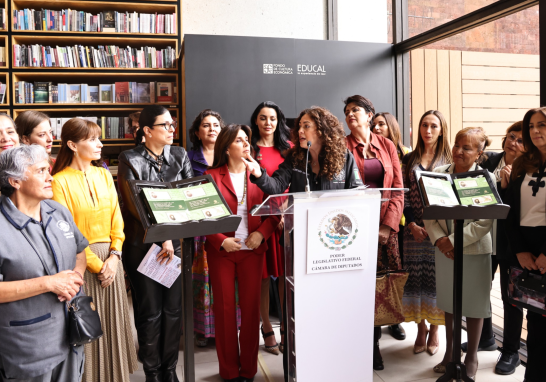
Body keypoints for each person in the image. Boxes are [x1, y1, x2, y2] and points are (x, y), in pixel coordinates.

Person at [51, 118, 138, 382]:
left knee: (113, 327)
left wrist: (115, 256)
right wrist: (99, 266)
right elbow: (68, 232)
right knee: (88, 328)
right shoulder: (58, 182)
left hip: (113, 260)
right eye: (92, 139)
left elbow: (117, 220)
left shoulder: (103, 174)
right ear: (72, 145)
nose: (100, 144)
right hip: (83, 266)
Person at [118, 105, 193, 382]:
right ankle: (152, 373)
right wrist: (163, 238)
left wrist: (171, 238)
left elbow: (187, 196)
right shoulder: (130, 158)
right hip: (143, 246)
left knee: (173, 311)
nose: (172, 130)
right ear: (147, 131)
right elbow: (136, 205)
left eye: (173, 125)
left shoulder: (180, 155)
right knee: (150, 312)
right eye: (166, 125)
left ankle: (169, 370)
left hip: (177, 246)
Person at [0, 145, 88, 381]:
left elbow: (80, 251)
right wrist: (49, 283)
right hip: (28, 350)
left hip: (72, 339)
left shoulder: (58, 211)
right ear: (15, 181)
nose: (50, 177)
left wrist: (75, 278)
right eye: (40, 171)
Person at [204, 124, 280, 382]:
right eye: (240, 140)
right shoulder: (211, 176)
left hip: (253, 250)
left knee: (250, 312)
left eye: (247, 140)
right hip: (222, 252)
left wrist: (262, 234)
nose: (247, 144)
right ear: (226, 148)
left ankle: (248, 371)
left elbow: (275, 209)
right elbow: (202, 216)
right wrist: (220, 240)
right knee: (224, 312)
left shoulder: (259, 174)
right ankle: (229, 372)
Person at [424, 126, 494, 379]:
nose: (459, 151)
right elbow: (428, 212)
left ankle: (472, 356)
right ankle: (451, 354)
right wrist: (440, 239)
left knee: (474, 305)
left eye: (467, 147)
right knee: (450, 304)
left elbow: (485, 222)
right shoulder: (438, 174)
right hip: (443, 249)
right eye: (456, 145)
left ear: (479, 153)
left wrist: (453, 241)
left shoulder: (486, 177)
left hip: (474, 250)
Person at [343, 96, 404, 370]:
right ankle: (360, 344)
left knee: (379, 288)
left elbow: (398, 189)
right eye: (346, 112)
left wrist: (387, 225)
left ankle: (374, 344)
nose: (350, 114)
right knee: (356, 289)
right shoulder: (342, 146)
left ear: (369, 115)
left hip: (383, 228)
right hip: (354, 230)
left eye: (355, 110)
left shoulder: (387, 145)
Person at [470, 121, 525, 375]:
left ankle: (512, 351)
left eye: (521, 140)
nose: (513, 142)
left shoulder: (529, 169)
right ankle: (485, 337)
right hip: (483, 235)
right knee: (481, 287)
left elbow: (515, 210)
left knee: (510, 295)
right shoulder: (489, 160)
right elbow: (476, 195)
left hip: (510, 240)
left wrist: (505, 187)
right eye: (511, 136)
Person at [401, 110, 452, 359]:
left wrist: (437, 230)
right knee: (416, 281)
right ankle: (419, 329)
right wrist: (411, 224)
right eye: (424, 125)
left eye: (433, 126)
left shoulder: (450, 159)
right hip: (414, 232)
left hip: (440, 231)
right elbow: (404, 195)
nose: (428, 130)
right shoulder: (409, 159)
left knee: (436, 281)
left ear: (441, 130)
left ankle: (434, 330)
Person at [505, 107, 546, 382]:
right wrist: (519, 250)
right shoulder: (522, 164)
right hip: (525, 249)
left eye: (542, 125)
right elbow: (510, 210)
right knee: (536, 324)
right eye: (531, 126)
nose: (535, 131)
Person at [250, 101, 292, 355]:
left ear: (279, 121)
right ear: (256, 120)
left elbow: (291, 185)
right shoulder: (249, 149)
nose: (268, 123)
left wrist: (285, 212)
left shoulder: (290, 150)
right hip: (260, 219)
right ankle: (266, 328)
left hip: (285, 218)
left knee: (285, 279)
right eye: (263, 118)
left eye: (273, 118)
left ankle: (286, 328)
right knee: (263, 277)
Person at [247, 106, 363, 194]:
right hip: (300, 222)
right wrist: (259, 174)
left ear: (322, 130)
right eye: (300, 126)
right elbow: (277, 185)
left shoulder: (344, 157)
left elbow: (357, 190)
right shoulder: (294, 156)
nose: (300, 131)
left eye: (306, 126)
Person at [187, 109, 228, 347]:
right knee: (202, 279)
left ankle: (228, 325)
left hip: (226, 225)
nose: (212, 128)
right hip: (200, 228)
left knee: (224, 279)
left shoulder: (229, 154)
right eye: (206, 125)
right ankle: (203, 331)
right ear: (197, 132)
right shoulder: (188, 158)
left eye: (216, 124)